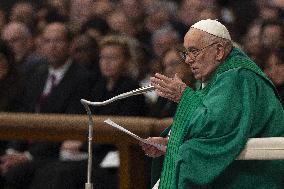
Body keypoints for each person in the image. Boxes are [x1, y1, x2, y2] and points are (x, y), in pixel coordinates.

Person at [141, 19, 284, 189]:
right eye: (186, 53)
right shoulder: (215, 77)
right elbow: (211, 128)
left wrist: (183, 96)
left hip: (253, 174)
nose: (188, 60)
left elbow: (216, 127)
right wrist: (170, 142)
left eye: (194, 51)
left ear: (218, 51)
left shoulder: (238, 76)